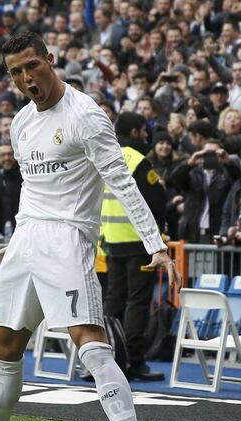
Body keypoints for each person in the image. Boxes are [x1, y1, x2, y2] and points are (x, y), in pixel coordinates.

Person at [0, 32, 181, 421]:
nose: (27, 77)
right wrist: (19, 235)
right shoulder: (21, 123)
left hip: (68, 240)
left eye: (32, 65)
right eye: (15, 72)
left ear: (50, 60)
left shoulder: (86, 116)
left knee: (89, 343)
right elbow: (32, 187)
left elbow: (122, 183)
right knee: (4, 345)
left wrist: (157, 245)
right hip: (27, 237)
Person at [102, 112, 167, 381]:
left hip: (111, 242)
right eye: (144, 130)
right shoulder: (138, 161)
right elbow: (156, 200)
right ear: (137, 131)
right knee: (137, 302)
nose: (146, 135)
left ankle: (108, 358)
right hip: (138, 243)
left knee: (113, 302)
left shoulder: (106, 156)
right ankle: (134, 361)